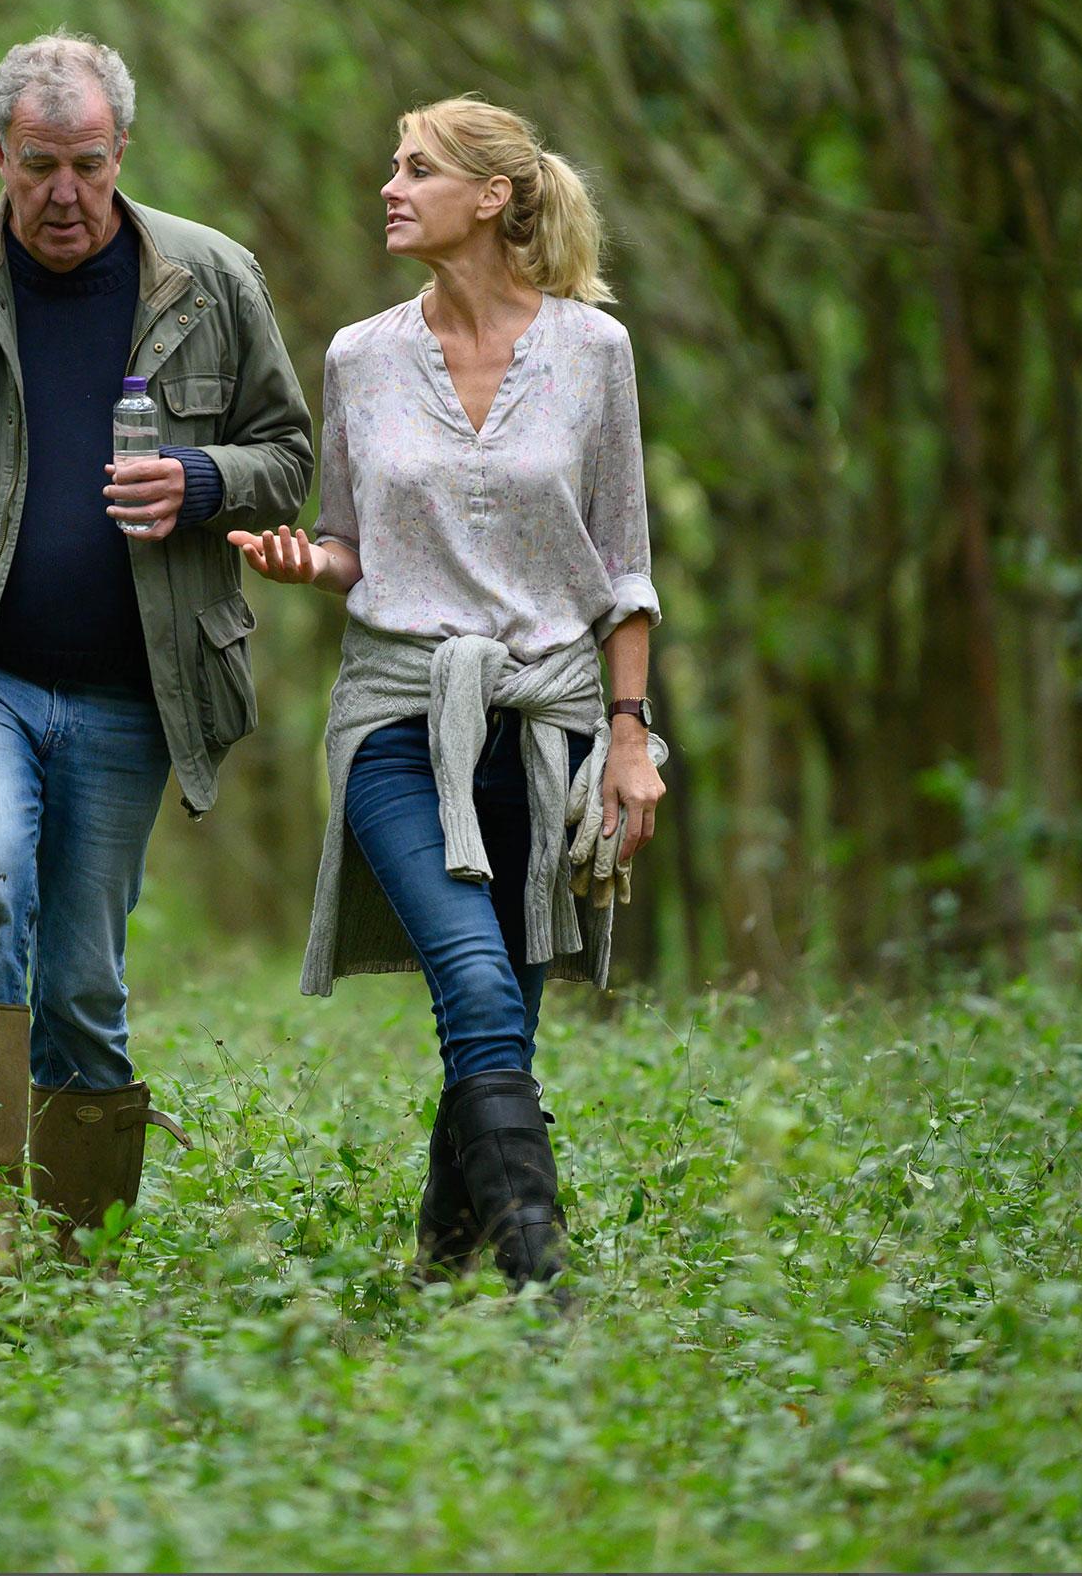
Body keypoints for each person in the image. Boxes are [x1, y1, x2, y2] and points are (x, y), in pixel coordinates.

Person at [0, 30, 315, 1290]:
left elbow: (291, 457)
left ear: (122, 149)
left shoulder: (211, 278)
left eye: (87, 163)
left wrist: (201, 480)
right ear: (0, 154)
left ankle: (82, 1261)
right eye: (39, 166)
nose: (65, 193)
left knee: (83, 981)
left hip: (137, 690)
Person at [231, 96, 665, 1293]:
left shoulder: (595, 353)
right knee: (472, 981)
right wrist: (304, 561)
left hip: (545, 725)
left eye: (416, 169)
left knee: (499, 1021)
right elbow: (349, 542)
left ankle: (436, 1265)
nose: (390, 185)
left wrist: (629, 737)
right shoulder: (358, 357)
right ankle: (543, 1283)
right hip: (394, 718)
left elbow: (623, 565)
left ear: (491, 197)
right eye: (393, 165)